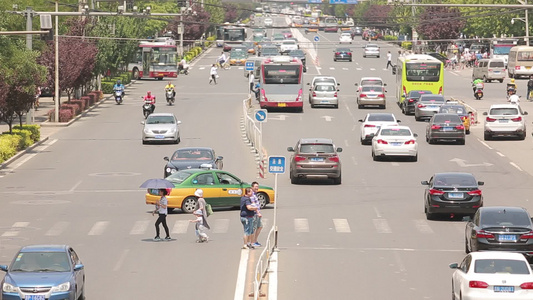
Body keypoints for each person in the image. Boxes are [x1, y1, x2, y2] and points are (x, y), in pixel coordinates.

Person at [250, 181, 263, 247]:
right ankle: (252, 242)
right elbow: (253, 205)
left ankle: (255, 240)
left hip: (258, 213)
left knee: (260, 226)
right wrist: (257, 212)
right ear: (252, 187)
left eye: (257, 186)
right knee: (254, 228)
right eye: (255, 187)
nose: (257, 188)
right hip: (254, 214)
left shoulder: (255, 194)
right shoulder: (252, 195)